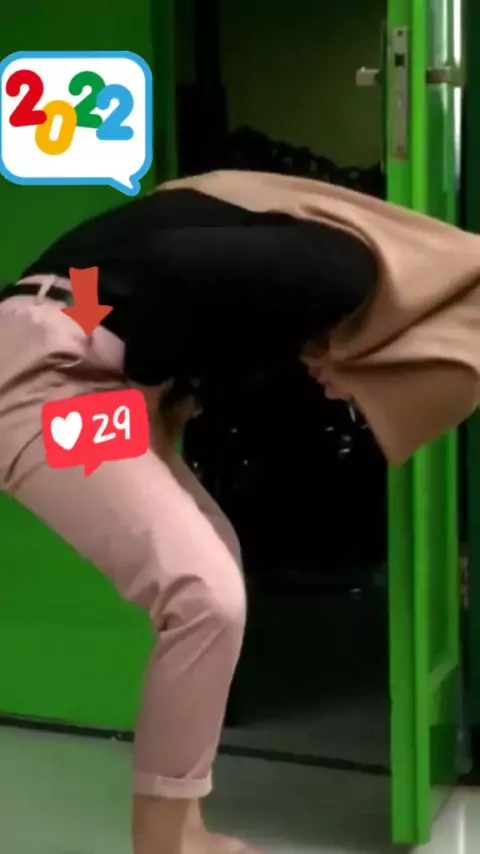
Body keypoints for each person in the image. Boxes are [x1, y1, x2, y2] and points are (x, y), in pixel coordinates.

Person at [1, 168, 479, 854]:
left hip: (83, 373)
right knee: (204, 593)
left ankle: (182, 824)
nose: (337, 395)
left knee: (214, 568)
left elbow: (157, 262)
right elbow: (168, 262)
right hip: (49, 372)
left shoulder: (325, 266)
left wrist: (155, 396)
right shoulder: (345, 273)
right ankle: (166, 840)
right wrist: (147, 385)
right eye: (366, 393)